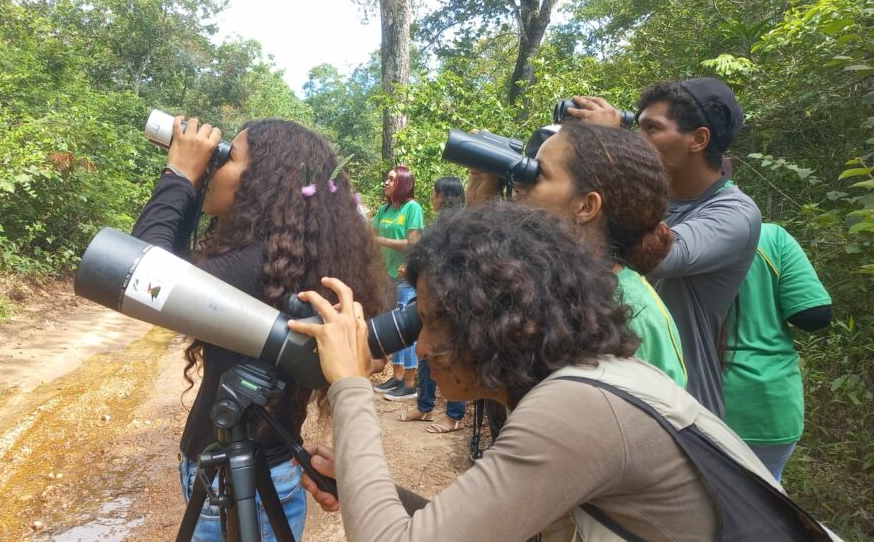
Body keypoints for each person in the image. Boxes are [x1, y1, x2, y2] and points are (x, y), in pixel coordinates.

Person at [289, 204, 840, 542]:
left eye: (435, 323)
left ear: (498, 325)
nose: (424, 348)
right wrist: (374, 490)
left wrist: (350, 383)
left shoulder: (579, 409)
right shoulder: (584, 381)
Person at [130, 115, 390, 541]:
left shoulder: (249, 266)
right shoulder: (289, 261)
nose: (214, 167)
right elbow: (173, 281)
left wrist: (179, 174)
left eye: (227, 159)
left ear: (260, 184)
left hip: (230, 483)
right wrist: (194, 186)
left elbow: (141, 277)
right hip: (275, 470)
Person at [566, 78, 762, 417]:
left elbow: (655, 256)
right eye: (635, 127)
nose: (638, 141)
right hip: (614, 383)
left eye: (651, 129)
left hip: (679, 404)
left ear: (698, 139)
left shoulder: (736, 213)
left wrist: (610, 147)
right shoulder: (654, 200)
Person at [468, 123, 687, 386]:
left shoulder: (628, 312)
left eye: (538, 174)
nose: (519, 185)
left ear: (586, 206)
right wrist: (478, 207)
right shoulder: (561, 286)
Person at [723, 223, 832, 482]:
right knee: (766, 502)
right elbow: (814, 315)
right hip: (770, 404)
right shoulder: (770, 237)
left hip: (692, 398)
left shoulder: (667, 240)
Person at [398, 176, 468, 432]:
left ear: (443, 196)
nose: (432, 196)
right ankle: (425, 407)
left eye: (435, 193)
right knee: (426, 353)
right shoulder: (441, 223)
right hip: (436, 299)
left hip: (452, 301)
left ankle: (455, 415)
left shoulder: (461, 225)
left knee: (449, 356)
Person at [371, 165, 424, 400]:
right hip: (387, 276)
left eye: (391, 179)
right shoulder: (384, 209)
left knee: (406, 328)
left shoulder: (412, 208)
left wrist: (380, 240)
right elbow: (367, 232)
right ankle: (398, 376)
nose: (386, 182)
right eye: (386, 179)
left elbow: (412, 243)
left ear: (402, 183)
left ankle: (411, 383)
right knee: (393, 327)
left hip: (404, 277)